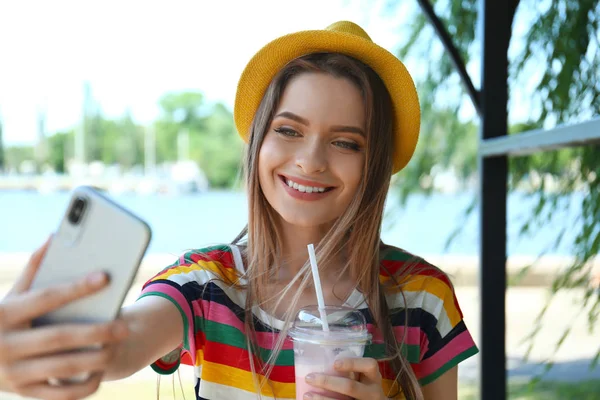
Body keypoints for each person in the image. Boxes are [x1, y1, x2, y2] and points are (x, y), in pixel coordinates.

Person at [0, 21, 478, 400]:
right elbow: (123, 341)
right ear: (258, 143)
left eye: (345, 142)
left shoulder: (422, 299)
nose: (310, 160)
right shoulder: (206, 284)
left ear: (373, 163)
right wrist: (26, 348)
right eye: (289, 130)